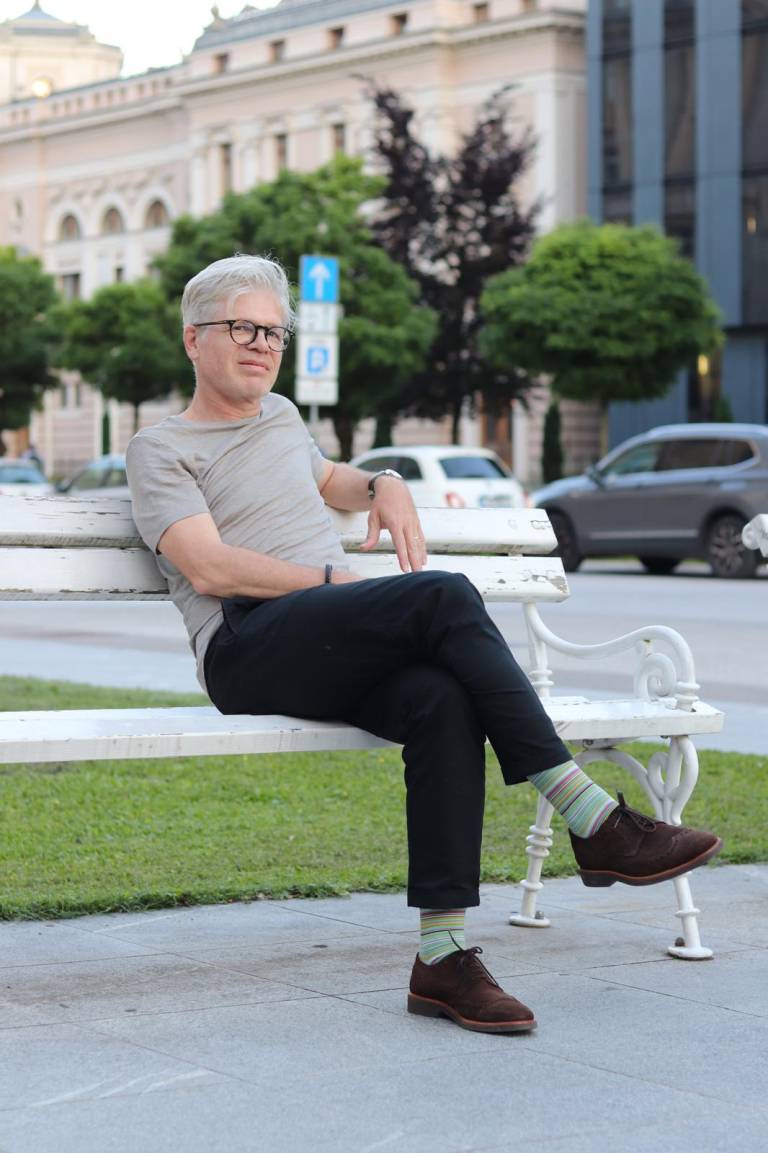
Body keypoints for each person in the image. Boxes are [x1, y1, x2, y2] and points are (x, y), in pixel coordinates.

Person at [126, 254, 722, 1035]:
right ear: (193, 338)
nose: (262, 345)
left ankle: (442, 957)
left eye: (273, 332)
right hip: (245, 645)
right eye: (243, 328)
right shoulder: (160, 448)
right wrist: (330, 582)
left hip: (323, 641)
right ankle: (591, 816)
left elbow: (331, 478)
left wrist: (387, 484)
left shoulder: (281, 418)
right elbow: (208, 566)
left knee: (442, 699)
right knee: (443, 593)